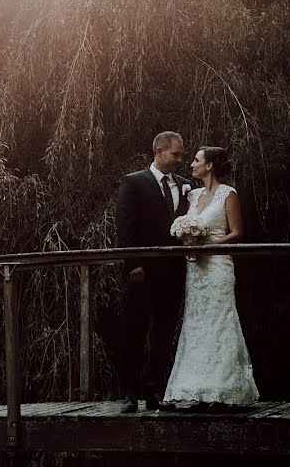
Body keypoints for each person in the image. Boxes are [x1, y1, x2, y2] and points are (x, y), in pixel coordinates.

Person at [163, 146, 259, 408]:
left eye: (196, 160)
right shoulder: (192, 196)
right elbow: (186, 225)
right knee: (195, 322)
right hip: (195, 269)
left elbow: (237, 232)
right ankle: (194, 386)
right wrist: (187, 240)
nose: (191, 164)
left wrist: (208, 246)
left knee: (220, 319)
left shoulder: (228, 194)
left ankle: (226, 387)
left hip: (217, 265)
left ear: (210, 165)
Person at [116, 131, 192, 413]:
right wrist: (133, 263)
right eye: (176, 154)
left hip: (173, 273)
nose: (180, 160)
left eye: (182, 155)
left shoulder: (185, 186)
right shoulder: (133, 182)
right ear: (159, 151)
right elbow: (125, 226)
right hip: (143, 272)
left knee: (163, 332)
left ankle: (154, 390)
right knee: (135, 329)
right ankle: (129, 392)